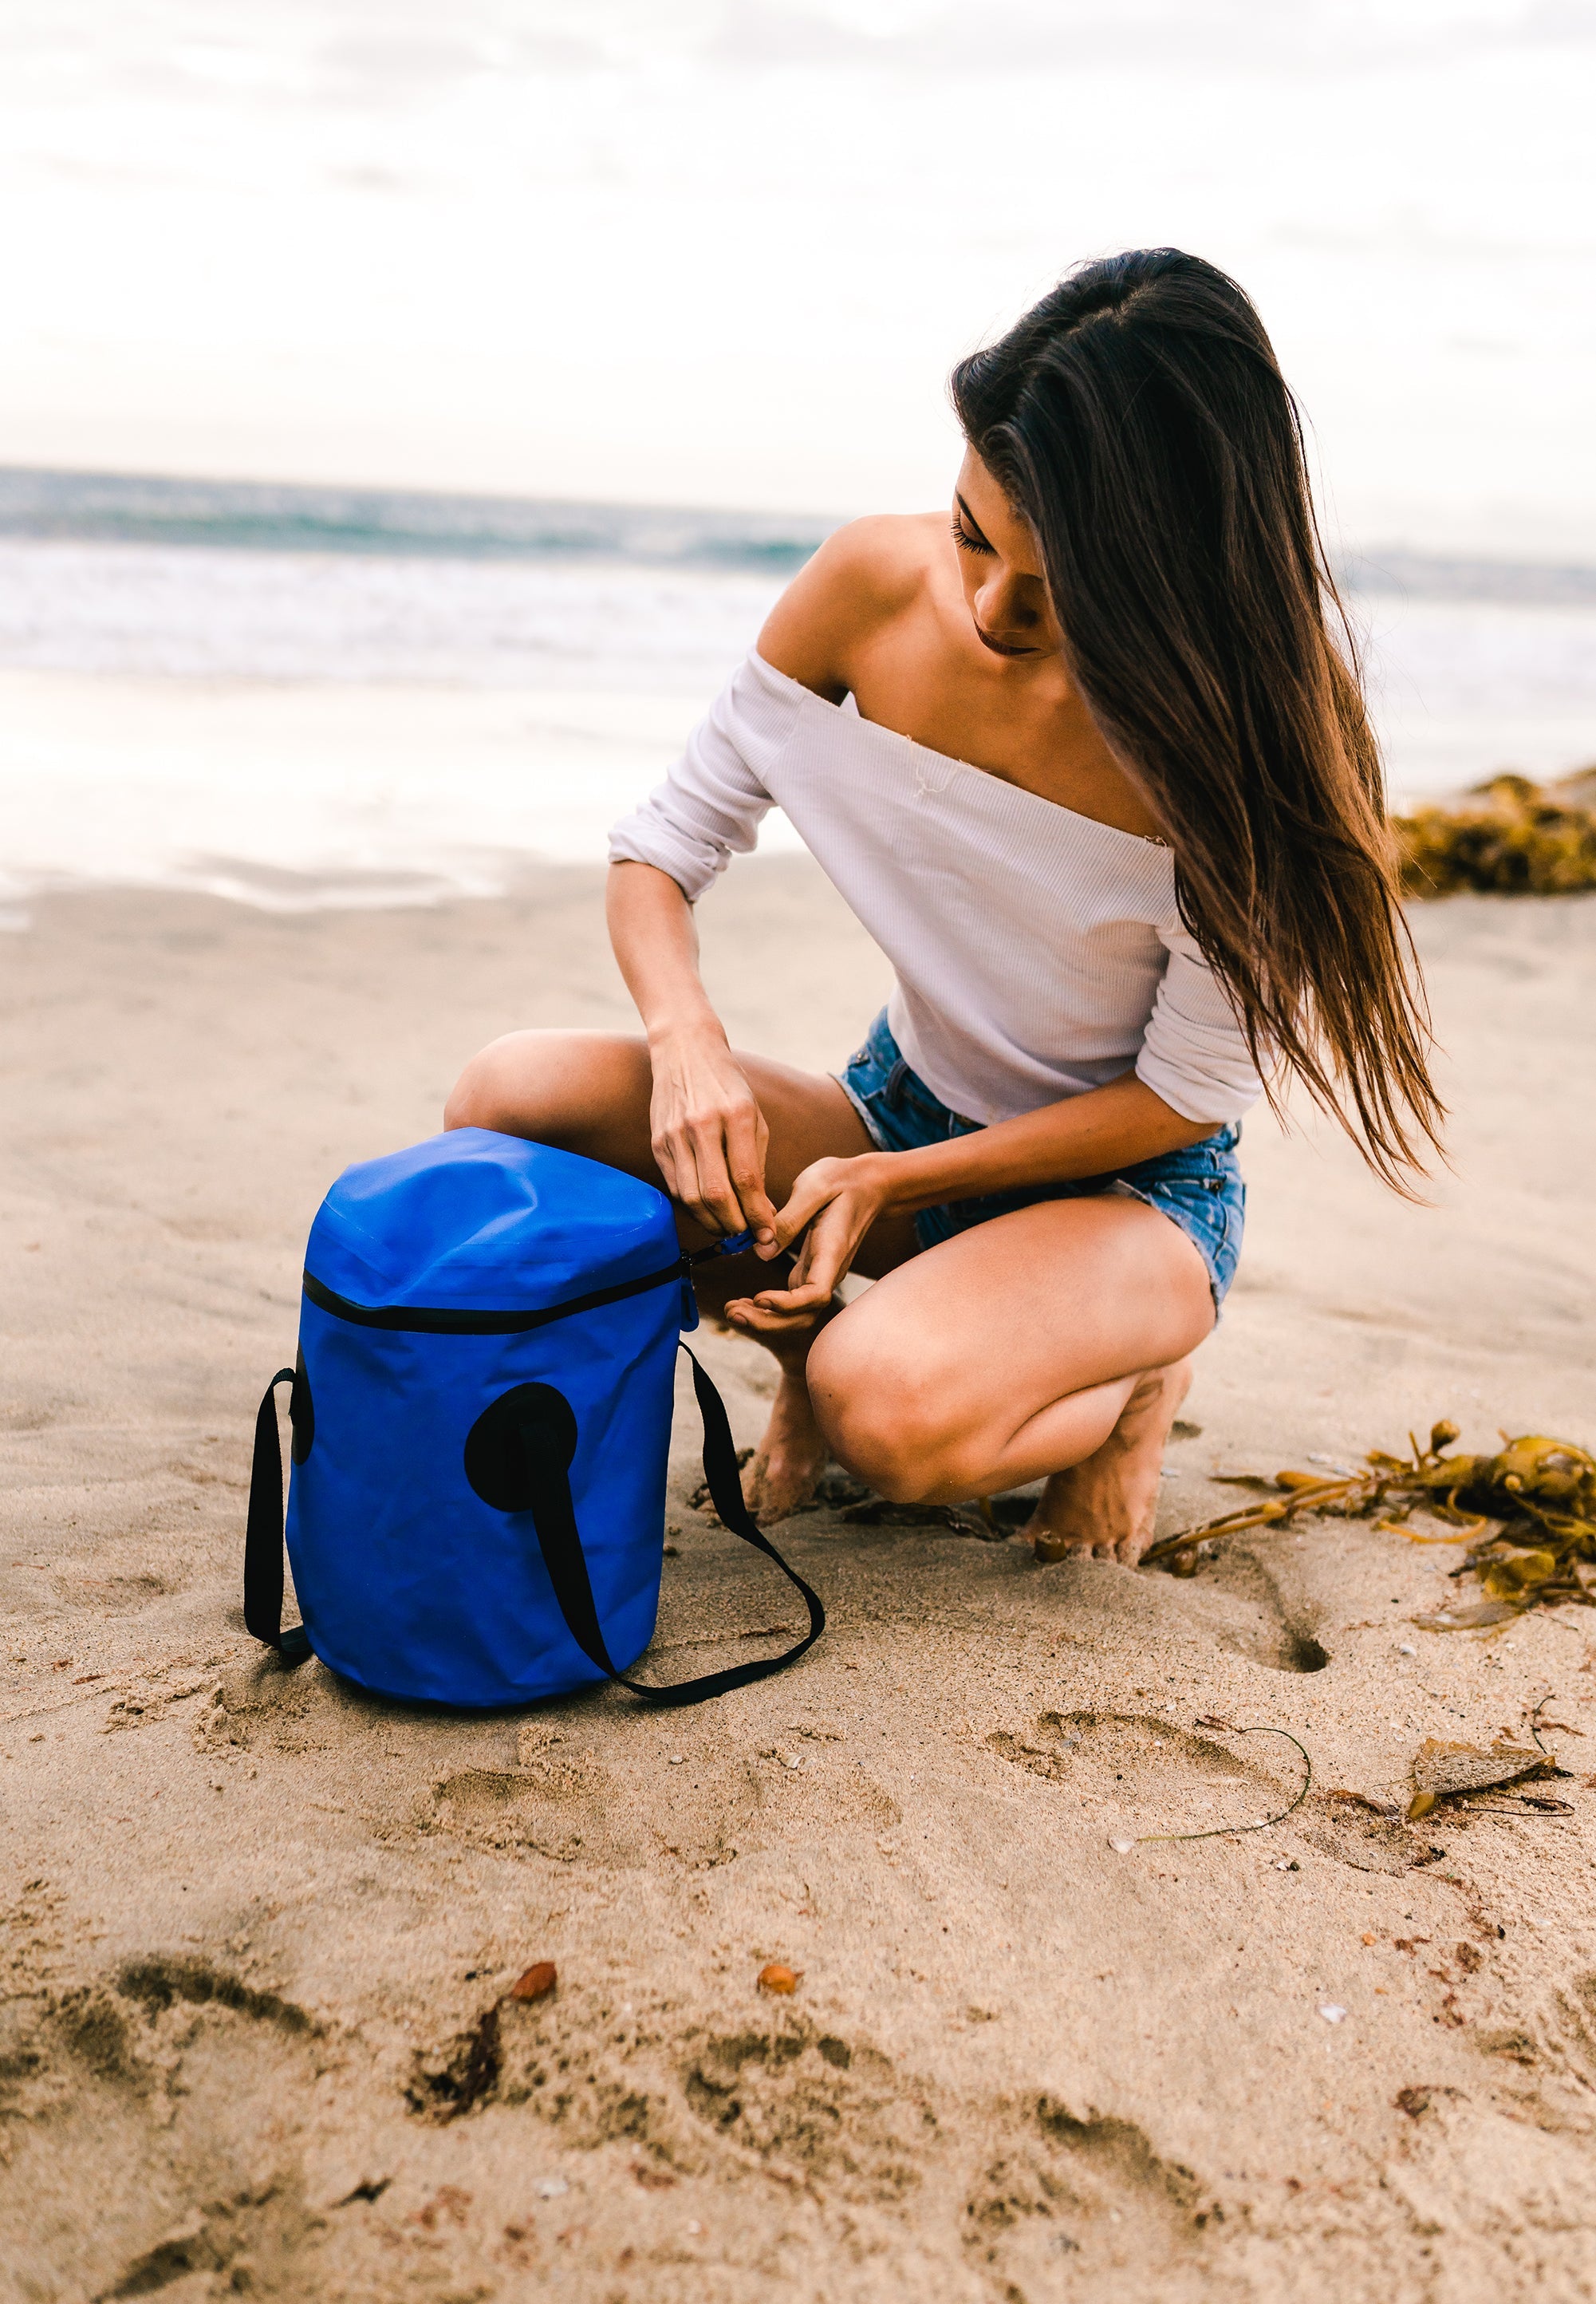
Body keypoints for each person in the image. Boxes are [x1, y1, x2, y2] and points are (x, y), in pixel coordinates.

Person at [446, 247, 1441, 1564]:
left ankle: (1131, 1393)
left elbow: (1186, 1095)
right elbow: (661, 848)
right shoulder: (866, 587)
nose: (988, 607)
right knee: (508, 1104)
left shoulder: (1248, 739)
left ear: (1173, 567)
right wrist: (688, 1052)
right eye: (973, 532)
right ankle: (827, 1351)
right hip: (897, 1110)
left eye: (1060, 584)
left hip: (1125, 1190)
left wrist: (890, 1181)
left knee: (895, 1424)